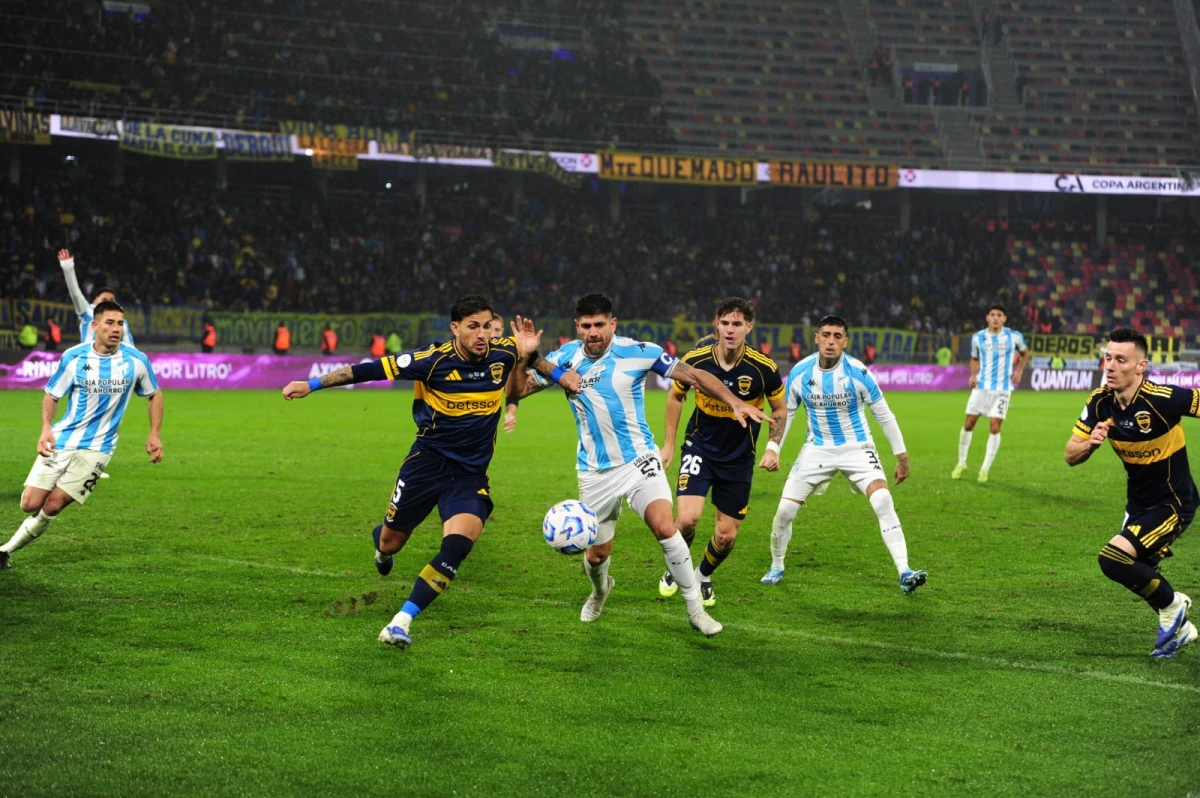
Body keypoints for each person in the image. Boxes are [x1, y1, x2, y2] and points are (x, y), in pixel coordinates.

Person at [281, 294, 560, 650]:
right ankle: (381, 546)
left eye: (486, 326)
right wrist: (313, 385)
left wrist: (528, 357)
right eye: (472, 326)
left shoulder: (503, 353)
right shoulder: (431, 360)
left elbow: (518, 386)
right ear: (455, 328)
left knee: (457, 545)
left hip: (470, 476)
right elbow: (368, 370)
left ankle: (402, 620)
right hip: (426, 466)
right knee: (391, 541)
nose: (481, 334)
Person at [509, 293, 767, 637]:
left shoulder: (638, 351)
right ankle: (600, 591)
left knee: (665, 528)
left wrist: (734, 402)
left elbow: (696, 376)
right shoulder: (564, 357)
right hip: (594, 470)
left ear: (612, 324)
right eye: (586, 326)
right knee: (598, 555)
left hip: (639, 460)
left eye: (600, 324)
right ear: (577, 327)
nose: (593, 332)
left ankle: (694, 610)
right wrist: (522, 358)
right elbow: (518, 390)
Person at [762, 315, 926, 594]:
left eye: (837, 336)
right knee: (784, 511)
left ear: (845, 342)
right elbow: (785, 414)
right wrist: (772, 448)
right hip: (817, 448)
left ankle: (904, 571)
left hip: (858, 447)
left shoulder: (858, 373)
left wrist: (902, 457)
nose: (830, 341)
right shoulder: (801, 373)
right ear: (816, 338)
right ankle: (777, 565)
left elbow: (883, 415)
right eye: (825, 334)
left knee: (883, 500)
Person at [1065, 327, 1199, 659]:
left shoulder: (1162, 399)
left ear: (1141, 366)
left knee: (1113, 557)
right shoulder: (1099, 402)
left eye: (1121, 360)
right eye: (1107, 357)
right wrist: (1090, 444)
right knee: (1135, 571)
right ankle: (1182, 628)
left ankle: (1174, 606)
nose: (1110, 366)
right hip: (1137, 505)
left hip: (1173, 502)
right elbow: (1070, 454)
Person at [1, 301, 163, 570]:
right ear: (95, 326)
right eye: (109, 323)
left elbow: (154, 394)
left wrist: (154, 433)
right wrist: (45, 429)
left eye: (120, 323)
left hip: (98, 449)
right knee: (30, 503)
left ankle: (5, 550)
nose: (116, 329)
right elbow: (52, 395)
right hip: (63, 440)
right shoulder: (74, 357)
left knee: (53, 505)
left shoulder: (136, 360)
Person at [658, 298, 786, 606]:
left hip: (739, 457)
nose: (730, 330)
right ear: (716, 324)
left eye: (737, 324)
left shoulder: (764, 368)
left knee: (726, 536)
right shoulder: (696, 360)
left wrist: (773, 447)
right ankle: (677, 568)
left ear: (749, 327)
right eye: (725, 323)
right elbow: (676, 398)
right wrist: (669, 445)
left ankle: (702, 575)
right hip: (699, 446)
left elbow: (780, 409)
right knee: (687, 520)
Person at [952, 305, 1028, 482]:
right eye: (992, 315)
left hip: (1003, 389)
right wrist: (972, 375)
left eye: (999, 315)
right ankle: (961, 462)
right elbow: (974, 358)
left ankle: (984, 469)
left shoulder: (1014, 336)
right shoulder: (978, 338)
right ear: (987, 318)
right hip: (981, 388)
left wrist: (1019, 371)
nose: (995, 318)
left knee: (994, 427)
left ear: (1004, 318)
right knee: (969, 424)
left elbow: (1025, 354)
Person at [58, 249, 135, 346]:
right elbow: (75, 294)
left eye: (112, 300)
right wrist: (68, 269)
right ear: (95, 301)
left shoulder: (122, 321)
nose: (108, 303)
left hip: (112, 360)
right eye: (104, 300)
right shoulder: (87, 310)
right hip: (88, 359)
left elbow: (130, 347)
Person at [486, 313, 521, 433]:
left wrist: (510, 413)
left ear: (502, 331)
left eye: (497, 330)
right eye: (490, 329)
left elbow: (511, 392)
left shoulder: (506, 357)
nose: (493, 334)